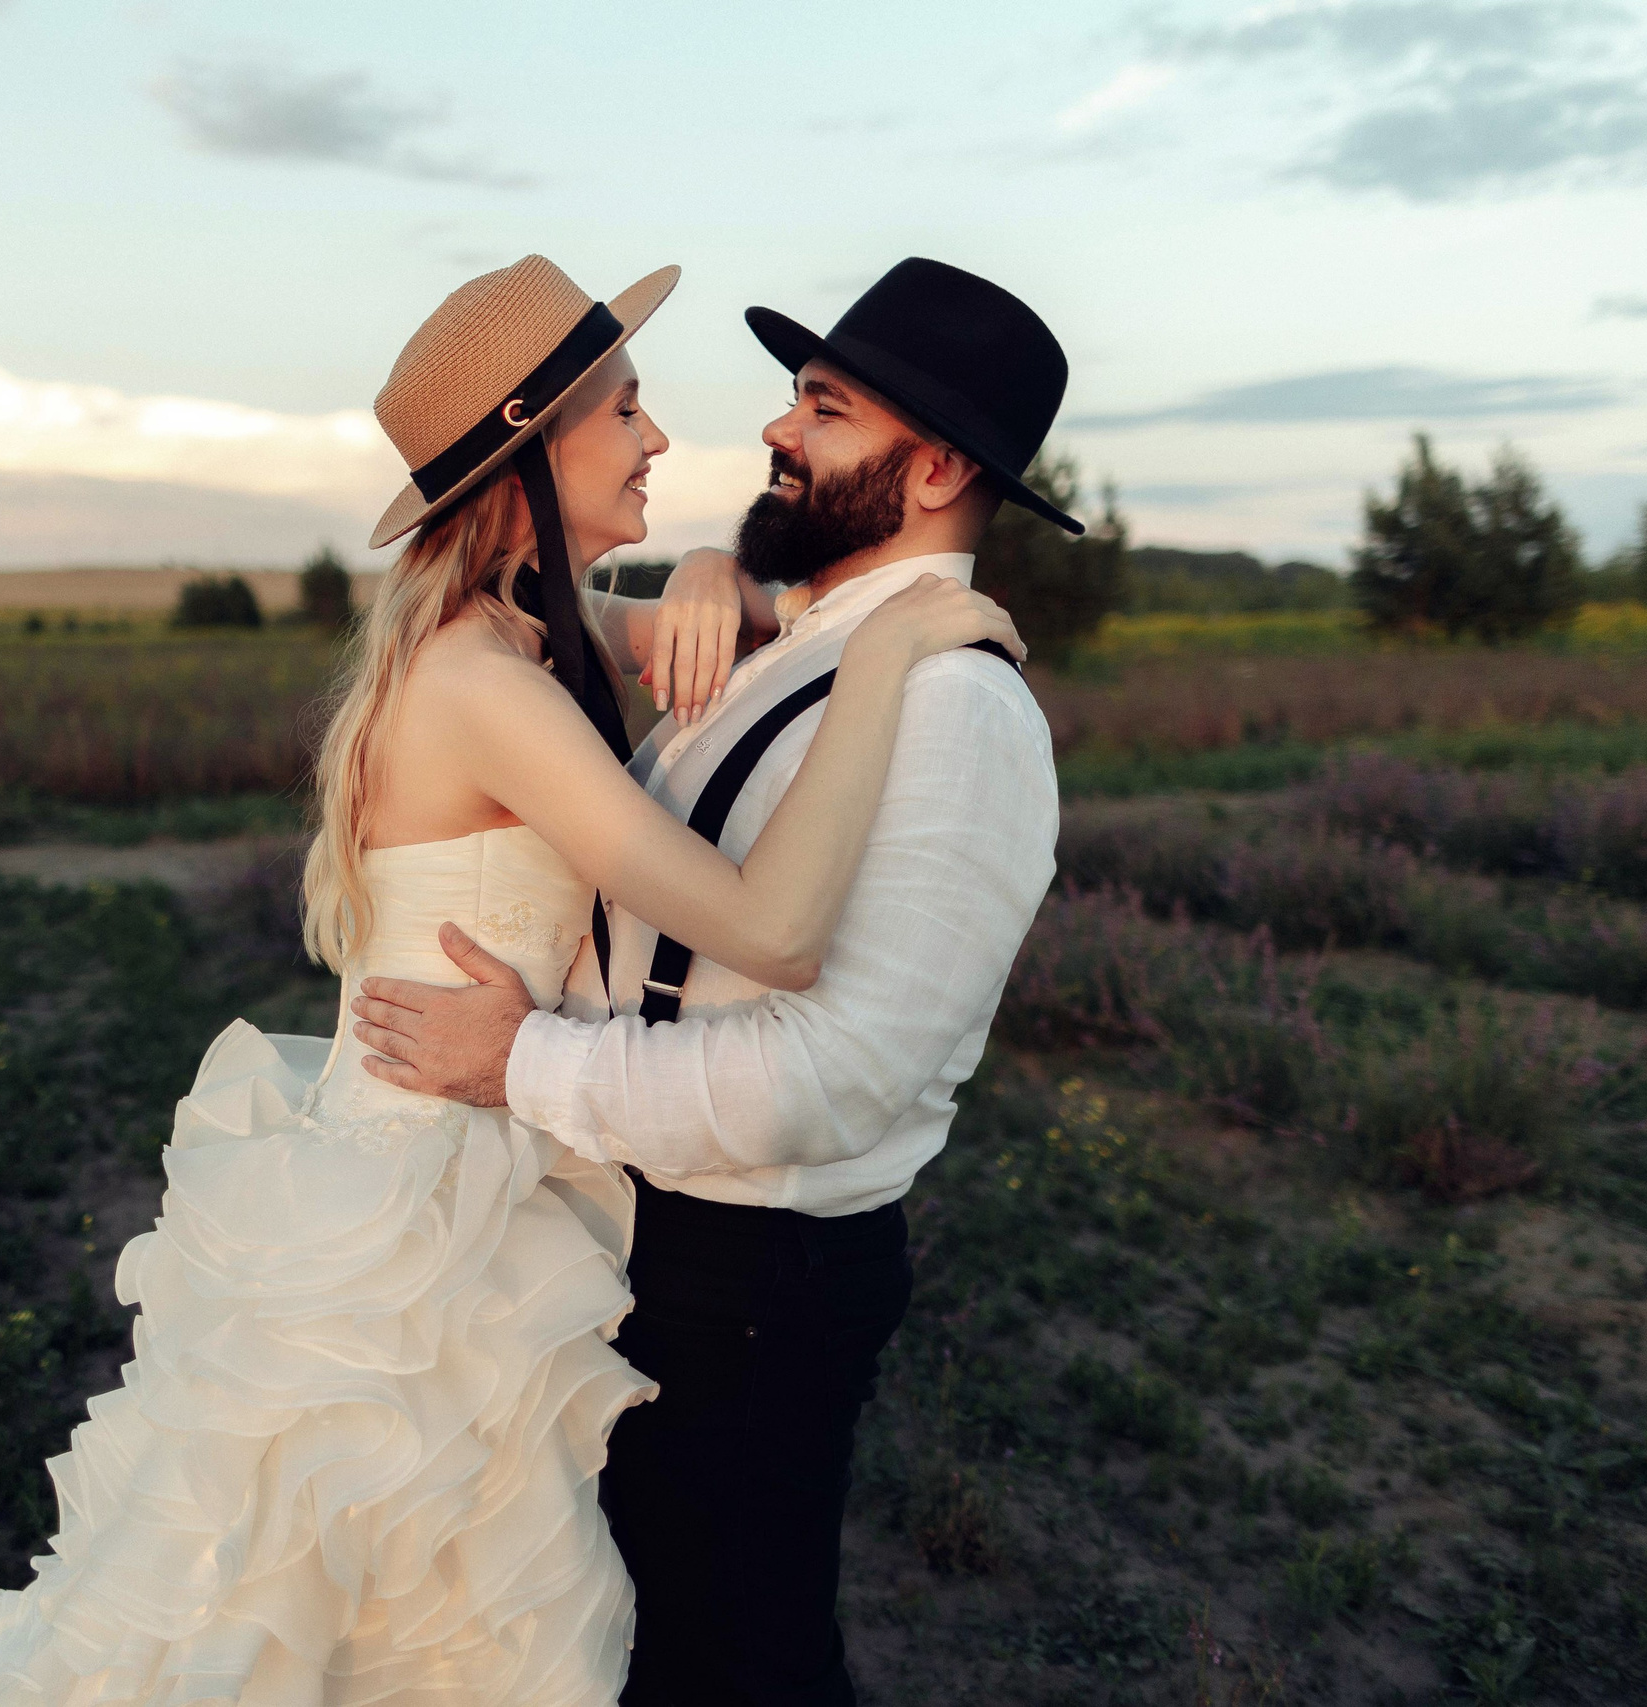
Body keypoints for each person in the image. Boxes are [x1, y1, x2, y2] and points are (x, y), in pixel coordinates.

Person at [0, 255, 1024, 1707]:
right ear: (534, 451)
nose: (663, 440)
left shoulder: (545, 637)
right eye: (627, 410)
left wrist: (720, 571)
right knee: (366, 1619)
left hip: (502, 1173)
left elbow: (760, 644)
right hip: (427, 1205)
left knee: (456, 1618)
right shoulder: (481, 681)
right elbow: (773, 931)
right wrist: (901, 645)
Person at [342, 258, 1073, 1707]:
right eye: (795, 397)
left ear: (933, 466)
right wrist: (709, 574)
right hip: (624, 1235)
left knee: (744, 1662)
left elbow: (834, 1073)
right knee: (638, 1651)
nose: (770, 434)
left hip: (757, 1281)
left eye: (823, 407)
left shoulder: (956, 704)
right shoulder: (776, 646)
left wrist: (525, 1066)